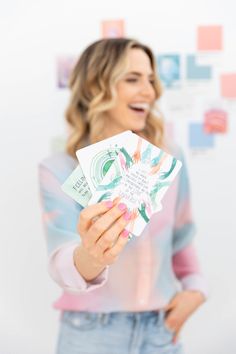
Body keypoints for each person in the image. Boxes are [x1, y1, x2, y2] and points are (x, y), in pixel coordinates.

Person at [39, 38, 207, 354]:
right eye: (133, 79)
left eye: (151, 79)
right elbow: (60, 259)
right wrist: (92, 256)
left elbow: (182, 239)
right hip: (90, 334)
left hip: (161, 329)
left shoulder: (166, 159)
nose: (151, 91)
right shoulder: (58, 168)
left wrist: (196, 291)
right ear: (94, 87)